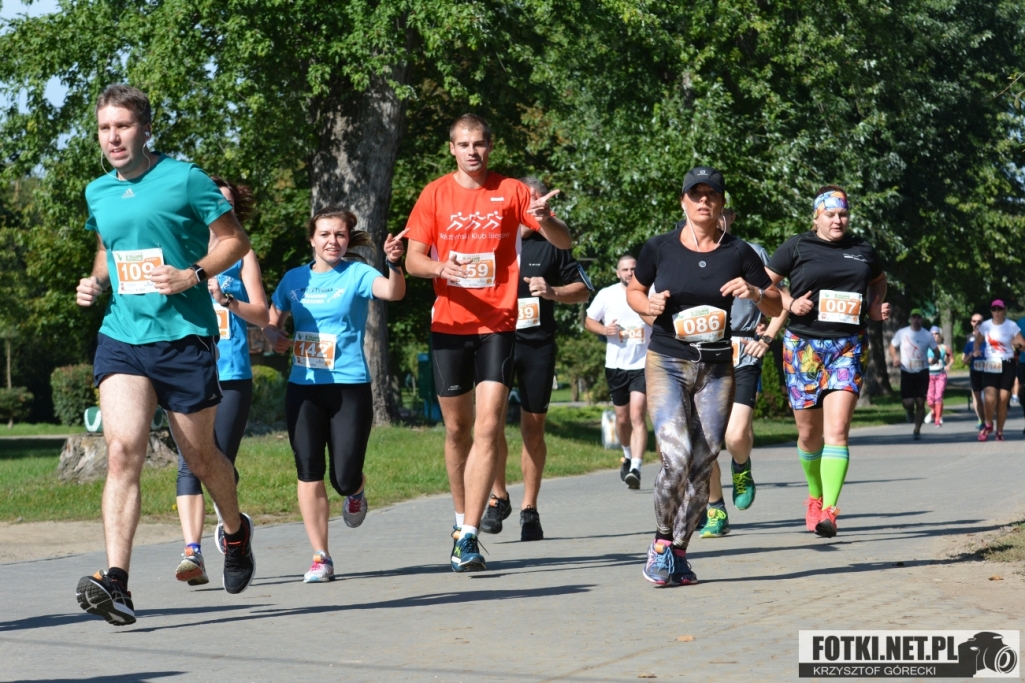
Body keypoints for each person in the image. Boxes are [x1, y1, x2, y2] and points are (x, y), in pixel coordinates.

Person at [75, 84, 256, 626]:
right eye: (105, 128)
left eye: (123, 126)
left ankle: (235, 531)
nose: (113, 137)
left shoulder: (184, 179)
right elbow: (107, 246)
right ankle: (117, 582)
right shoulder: (97, 191)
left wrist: (192, 274)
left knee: (200, 458)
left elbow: (235, 241)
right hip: (122, 337)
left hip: (183, 337)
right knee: (122, 451)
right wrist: (96, 281)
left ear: (145, 129)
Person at [404, 114, 571, 572]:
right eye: (464, 144)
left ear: (490, 146)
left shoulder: (512, 191)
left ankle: (470, 535)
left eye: (479, 143)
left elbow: (563, 241)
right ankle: (460, 518)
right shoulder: (435, 194)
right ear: (452, 148)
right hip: (449, 325)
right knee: (457, 430)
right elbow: (414, 259)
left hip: (498, 324)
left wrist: (546, 221)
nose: (472, 151)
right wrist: (439, 268)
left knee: (488, 426)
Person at [628, 166, 781, 586]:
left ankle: (679, 551)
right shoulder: (659, 248)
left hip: (716, 368)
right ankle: (661, 542)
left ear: (721, 203)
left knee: (703, 461)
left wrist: (755, 292)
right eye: (695, 194)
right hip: (667, 362)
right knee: (676, 457)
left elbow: (775, 303)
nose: (703, 201)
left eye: (711, 194)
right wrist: (646, 306)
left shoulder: (739, 252)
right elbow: (634, 290)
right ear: (683, 201)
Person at [263, 207, 405, 582]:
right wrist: (273, 335)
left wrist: (394, 264)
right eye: (325, 234)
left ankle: (355, 490)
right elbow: (272, 320)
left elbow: (393, 292)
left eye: (340, 235)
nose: (333, 241)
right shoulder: (294, 279)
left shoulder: (357, 273)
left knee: (343, 477)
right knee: (308, 470)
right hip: (303, 388)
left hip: (348, 386)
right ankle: (320, 557)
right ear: (312, 239)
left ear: (347, 239)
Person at [766, 185, 889, 539]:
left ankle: (830, 512)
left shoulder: (863, 250)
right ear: (816, 216)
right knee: (809, 434)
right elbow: (764, 284)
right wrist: (790, 303)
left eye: (843, 214)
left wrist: (874, 306)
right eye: (830, 214)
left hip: (848, 346)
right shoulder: (797, 246)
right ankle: (815, 495)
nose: (838, 220)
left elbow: (879, 281)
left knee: (837, 430)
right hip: (803, 347)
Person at [480, 177, 591, 541]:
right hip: (496, 342)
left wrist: (553, 291)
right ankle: (498, 496)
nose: (528, 205)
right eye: (522, 199)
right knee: (490, 424)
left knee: (533, 428)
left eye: (534, 199)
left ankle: (530, 508)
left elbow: (583, 289)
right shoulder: (493, 238)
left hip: (537, 347)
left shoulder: (553, 242)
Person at [174, 177, 269, 586]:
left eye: (225, 203)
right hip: (189, 367)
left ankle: (232, 528)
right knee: (188, 462)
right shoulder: (182, 250)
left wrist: (227, 300)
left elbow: (263, 315)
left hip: (231, 375)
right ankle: (191, 553)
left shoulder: (243, 255)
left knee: (216, 460)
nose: (217, 208)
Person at [699, 207, 789, 538]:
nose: (716, 218)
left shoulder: (750, 252)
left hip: (742, 349)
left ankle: (741, 467)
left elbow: (783, 300)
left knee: (735, 436)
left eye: (723, 212)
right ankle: (715, 509)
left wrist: (766, 338)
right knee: (704, 441)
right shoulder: (686, 251)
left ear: (732, 217)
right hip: (702, 352)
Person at [584, 255, 652, 489]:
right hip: (616, 365)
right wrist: (605, 330)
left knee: (637, 414)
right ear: (618, 273)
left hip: (643, 364)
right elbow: (589, 320)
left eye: (633, 268)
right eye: (625, 269)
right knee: (622, 419)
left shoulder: (648, 291)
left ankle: (637, 467)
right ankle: (627, 455)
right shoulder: (607, 294)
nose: (629, 273)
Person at [972, 299, 1024, 442]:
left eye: (999, 309)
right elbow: (977, 341)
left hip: (1007, 364)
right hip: (991, 364)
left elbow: (1024, 345)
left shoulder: (1012, 326)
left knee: (1003, 400)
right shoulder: (986, 325)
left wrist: (1018, 345)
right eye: (994, 309)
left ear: (1004, 310)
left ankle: (999, 431)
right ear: (991, 311)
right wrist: (976, 350)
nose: (997, 312)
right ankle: (988, 424)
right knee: (990, 398)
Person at [888, 309, 938, 440]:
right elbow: (892, 346)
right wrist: (895, 358)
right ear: (910, 319)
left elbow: (937, 351)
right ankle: (909, 411)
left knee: (920, 402)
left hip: (922, 371)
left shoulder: (927, 335)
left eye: (919, 317)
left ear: (922, 319)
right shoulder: (902, 333)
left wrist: (935, 359)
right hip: (907, 371)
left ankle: (917, 430)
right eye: (914, 317)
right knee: (908, 402)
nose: (916, 320)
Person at [962, 314, 987, 429]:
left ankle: (987, 419)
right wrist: (971, 355)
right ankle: (982, 420)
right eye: (977, 331)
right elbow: (964, 361)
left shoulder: (989, 343)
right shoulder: (969, 344)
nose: (978, 333)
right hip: (975, 373)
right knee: (978, 399)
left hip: (988, 373)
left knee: (988, 398)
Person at [926, 326, 952, 426]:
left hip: (941, 375)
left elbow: (951, 359)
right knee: (930, 399)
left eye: (936, 334)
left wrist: (948, 365)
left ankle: (937, 418)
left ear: (940, 335)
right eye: (932, 334)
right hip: (929, 376)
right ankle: (933, 411)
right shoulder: (926, 347)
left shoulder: (944, 348)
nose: (934, 336)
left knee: (938, 396)